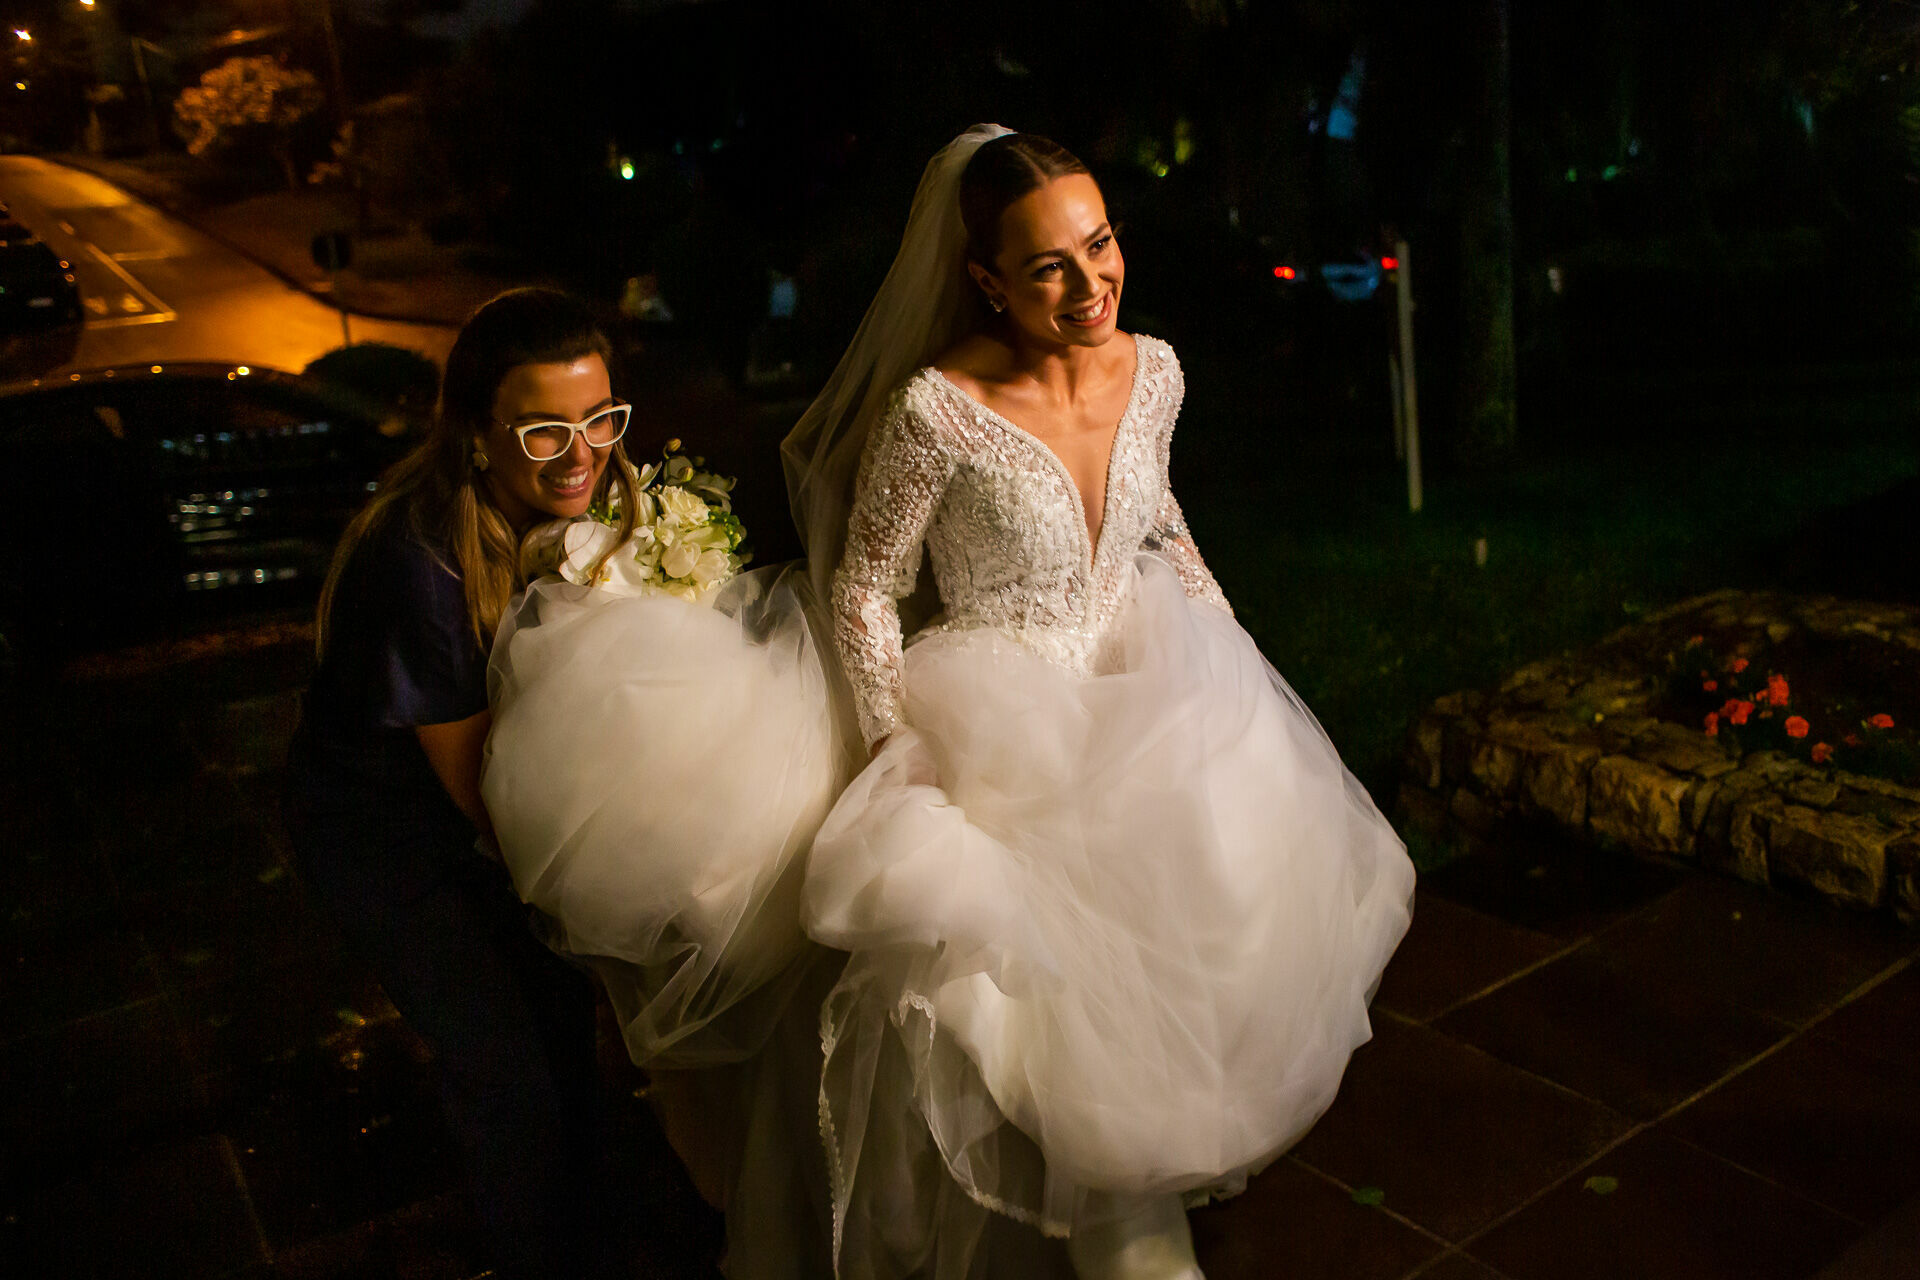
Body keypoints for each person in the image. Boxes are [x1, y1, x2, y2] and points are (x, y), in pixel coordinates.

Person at [783, 127, 1416, 1279]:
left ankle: (1147, 1199)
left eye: (1101, 243)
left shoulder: (1157, 368)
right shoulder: (936, 411)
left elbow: (1160, 521)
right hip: (1001, 729)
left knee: (1195, 966)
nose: (1090, 284)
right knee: (1040, 1025)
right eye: (1048, 267)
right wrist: (902, 750)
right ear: (985, 281)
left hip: (1148, 692)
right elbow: (867, 588)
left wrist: (1229, 663)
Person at [284, 288, 644, 1280]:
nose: (582, 455)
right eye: (543, 430)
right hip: (390, 832)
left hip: (502, 807)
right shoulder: (423, 561)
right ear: (479, 429)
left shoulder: (584, 501)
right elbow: (483, 795)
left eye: (601, 420)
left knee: (569, 1037)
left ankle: (593, 1233)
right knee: (508, 1072)